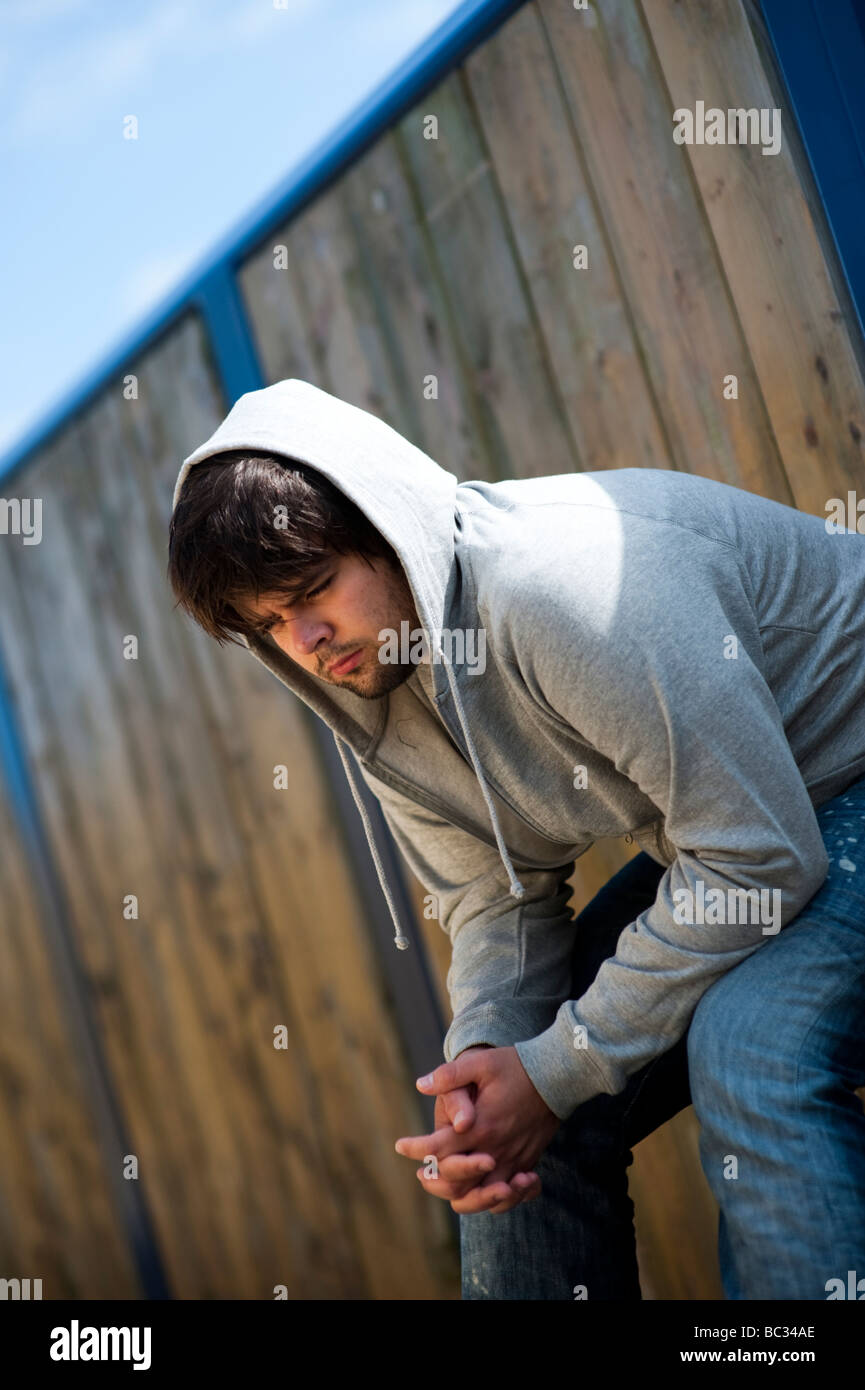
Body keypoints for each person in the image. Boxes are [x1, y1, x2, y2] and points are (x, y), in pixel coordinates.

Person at [168, 376, 865, 1300]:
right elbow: (496, 895)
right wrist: (489, 1066)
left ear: (387, 527)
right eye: (266, 627)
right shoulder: (376, 683)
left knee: (752, 1047)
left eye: (311, 591)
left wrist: (558, 1063)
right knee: (505, 1127)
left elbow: (759, 857)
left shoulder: (557, 589)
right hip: (754, 832)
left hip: (824, 793)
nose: (305, 642)